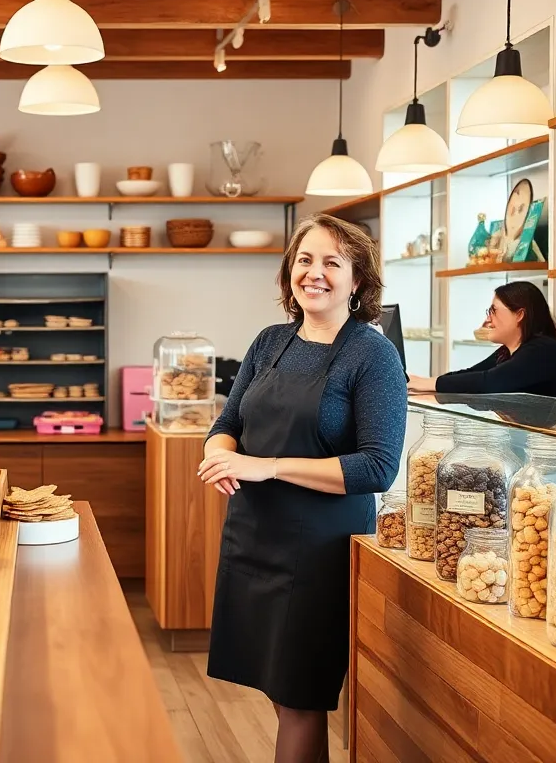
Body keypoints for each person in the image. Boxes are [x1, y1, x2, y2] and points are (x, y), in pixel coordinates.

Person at [196, 214, 406, 763]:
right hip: (254, 537)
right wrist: (219, 458)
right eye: (305, 260)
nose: (315, 273)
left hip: (319, 550)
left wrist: (267, 467)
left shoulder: (372, 353)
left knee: (301, 697)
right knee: (277, 691)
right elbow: (227, 426)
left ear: (358, 281)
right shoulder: (271, 342)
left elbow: (378, 467)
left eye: (332, 263)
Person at [406, 280, 556, 400]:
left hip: (552, 448)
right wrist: (419, 382)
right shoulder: (507, 352)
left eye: (493, 311)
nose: (487, 320)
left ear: (519, 314)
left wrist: (428, 383)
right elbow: (470, 374)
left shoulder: (544, 350)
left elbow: (489, 382)